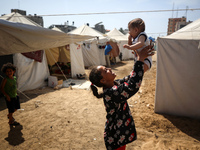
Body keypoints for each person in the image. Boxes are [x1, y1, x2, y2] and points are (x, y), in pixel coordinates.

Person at [89, 45, 154, 150]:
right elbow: (132, 86)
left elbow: (130, 77)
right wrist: (140, 60)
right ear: (103, 81)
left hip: (118, 135)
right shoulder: (111, 92)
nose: (109, 69)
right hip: (115, 137)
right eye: (106, 71)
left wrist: (140, 62)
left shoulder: (115, 84)